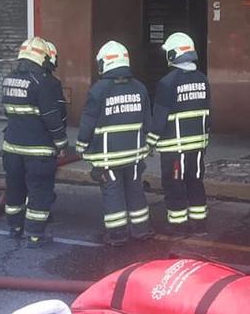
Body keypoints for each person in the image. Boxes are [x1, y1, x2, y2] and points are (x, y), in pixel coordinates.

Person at [76, 40, 154, 246]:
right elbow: (148, 121)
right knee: (135, 190)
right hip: (135, 155)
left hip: (108, 157)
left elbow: (88, 123)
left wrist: (82, 145)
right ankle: (141, 230)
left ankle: (118, 235)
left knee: (113, 192)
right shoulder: (140, 88)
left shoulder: (98, 90)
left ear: (104, 63)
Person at [0, 36, 68, 248]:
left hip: (11, 148)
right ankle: (36, 236)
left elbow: (7, 112)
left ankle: (15, 228)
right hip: (38, 151)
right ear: (42, 57)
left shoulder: (8, 79)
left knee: (15, 188)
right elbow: (52, 116)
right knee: (39, 191)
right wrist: (61, 142)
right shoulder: (43, 83)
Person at [147, 32, 210, 234]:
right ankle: (199, 222)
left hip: (174, 148)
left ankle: (178, 224)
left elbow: (159, 116)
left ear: (174, 55)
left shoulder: (168, 82)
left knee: (174, 184)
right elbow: (207, 114)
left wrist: (150, 141)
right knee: (195, 181)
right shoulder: (203, 80)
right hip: (197, 146)